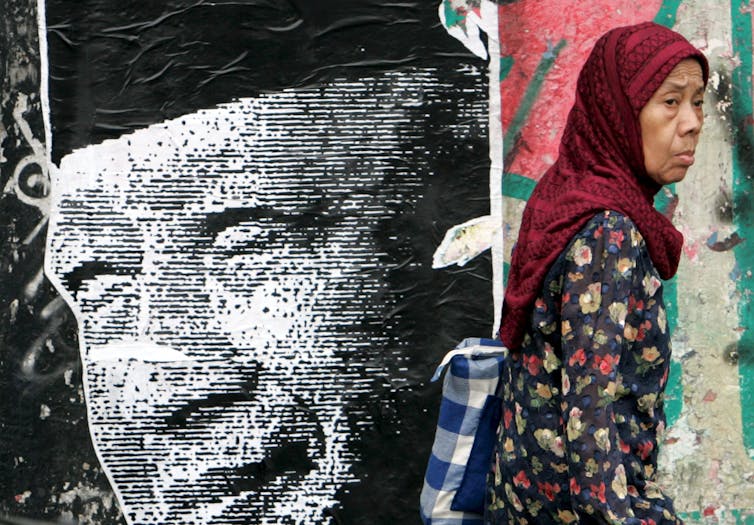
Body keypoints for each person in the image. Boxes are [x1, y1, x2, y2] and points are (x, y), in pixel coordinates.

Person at [488, 22, 708, 524]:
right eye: (671, 102)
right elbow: (591, 412)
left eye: (698, 100)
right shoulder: (610, 231)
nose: (693, 121)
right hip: (584, 507)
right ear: (620, 112)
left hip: (527, 496)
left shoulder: (569, 191)